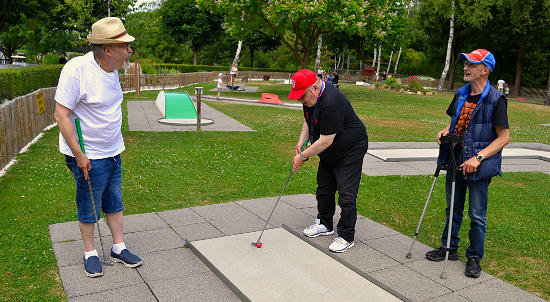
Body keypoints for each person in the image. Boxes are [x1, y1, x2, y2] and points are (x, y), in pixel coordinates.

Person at [53, 17, 142, 278]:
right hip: (88, 155)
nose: (129, 51)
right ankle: (90, 253)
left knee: (114, 201)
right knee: (89, 205)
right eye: (125, 46)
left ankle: (118, 247)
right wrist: (79, 155)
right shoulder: (76, 70)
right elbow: (61, 115)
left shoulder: (112, 69)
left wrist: (116, 144)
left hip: (113, 152)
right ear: (107, 50)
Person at [426, 49, 510, 278]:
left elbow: (504, 137)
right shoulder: (461, 93)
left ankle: (474, 256)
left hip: (478, 166)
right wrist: (445, 131)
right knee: (452, 209)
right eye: (466, 63)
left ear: (485, 70)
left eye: (472, 64)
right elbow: (455, 122)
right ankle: (449, 248)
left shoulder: (496, 99)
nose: (466, 67)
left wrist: (479, 158)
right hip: (454, 160)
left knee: (476, 215)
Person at [288, 69, 368, 253]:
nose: (301, 100)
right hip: (328, 149)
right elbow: (308, 120)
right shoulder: (311, 97)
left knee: (346, 194)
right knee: (324, 188)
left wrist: (302, 156)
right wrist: (302, 141)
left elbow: (325, 141)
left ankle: (346, 236)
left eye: (302, 96)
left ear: (315, 88)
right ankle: (325, 224)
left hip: (350, 150)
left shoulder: (332, 102)